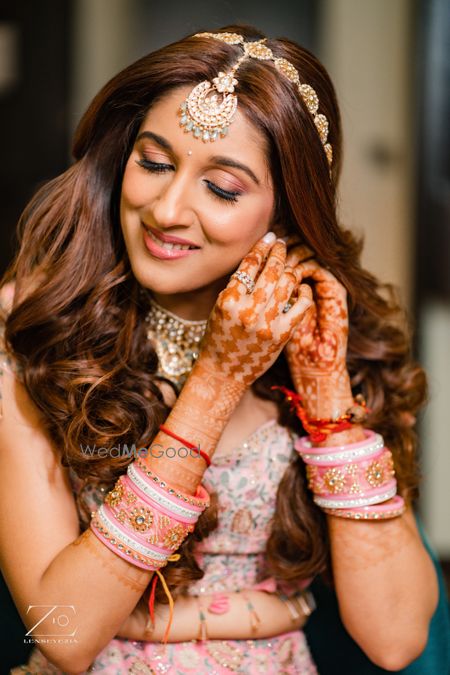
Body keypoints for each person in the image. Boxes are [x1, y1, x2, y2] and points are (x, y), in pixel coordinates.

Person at [0, 24, 439, 674]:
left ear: (287, 213)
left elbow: (397, 638)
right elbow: (60, 633)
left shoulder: (331, 338)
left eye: (223, 188)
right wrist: (215, 383)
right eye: (152, 162)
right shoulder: (38, 326)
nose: (168, 209)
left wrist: (328, 404)